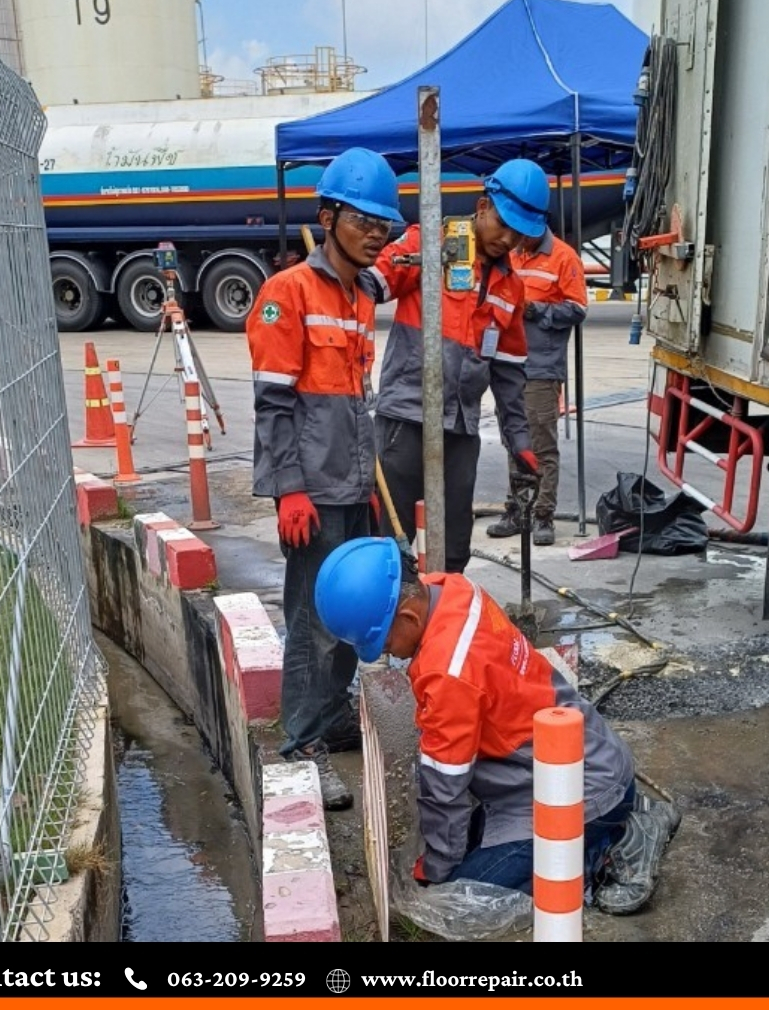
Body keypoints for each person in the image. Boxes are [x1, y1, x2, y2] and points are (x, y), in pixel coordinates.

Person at [314, 536, 682, 914]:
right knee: (469, 854)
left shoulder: (448, 673)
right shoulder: (451, 588)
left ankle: (619, 843)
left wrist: (437, 874)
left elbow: (445, 790)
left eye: (383, 641)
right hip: (575, 763)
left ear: (409, 618)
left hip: (582, 791)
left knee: (468, 900)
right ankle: (616, 818)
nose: (385, 652)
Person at [246, 147, 402, 810]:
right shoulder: (287, 293)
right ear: (329, 216)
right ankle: (301, 739)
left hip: (352, 483)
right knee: (311, 620)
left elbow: (352, 397)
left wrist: (368, 481)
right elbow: (274, 405)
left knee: (348, 612)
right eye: (363, 220)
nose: (375, 233)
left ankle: (333, 714)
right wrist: (289, 489)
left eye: (383, 224)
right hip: (310, 490)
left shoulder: (361, 294)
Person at [371, 159, 548, 573]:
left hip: (461, 427)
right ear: (483, 206)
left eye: (519, 233)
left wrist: (519, 440)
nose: (508, 239)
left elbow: (508, 373)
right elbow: (369, 285)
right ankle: (393, 610)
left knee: (453, 547)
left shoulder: (510, 287)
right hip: (406, 419)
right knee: (390, 542)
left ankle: (444, 607)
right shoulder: (429, 244)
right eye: (503, 225)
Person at [486, 227, 588, 546]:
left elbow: (577, 309)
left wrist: (535, 309)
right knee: (514, 440)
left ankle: (543, 513)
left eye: (523, 234)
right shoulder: (511, 253)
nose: (516, 240)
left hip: (541, 366)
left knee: (541, 444)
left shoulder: (563, 257)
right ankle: (518, 509)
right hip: (508, 363)